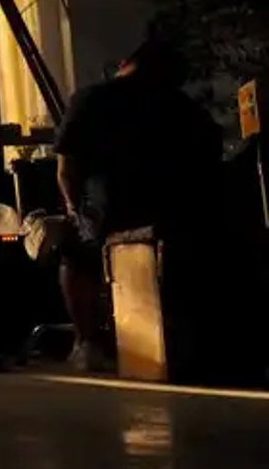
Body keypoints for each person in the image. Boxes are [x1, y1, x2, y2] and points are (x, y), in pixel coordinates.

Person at [55, 38, 221, 371]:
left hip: (110, 213)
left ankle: (86, 341)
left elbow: (67, 170)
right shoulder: (185, 109)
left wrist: (75, 212)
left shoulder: (92, 99)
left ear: (127, 63)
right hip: (179, 216)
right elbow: (209, 163)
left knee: (72, 253)